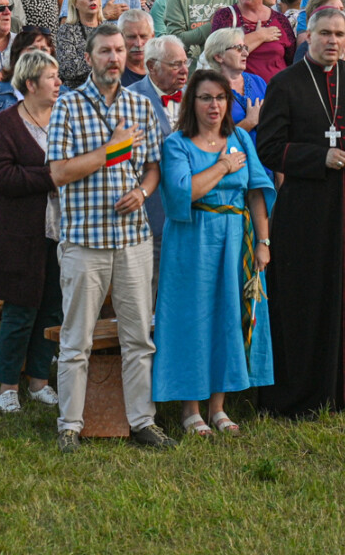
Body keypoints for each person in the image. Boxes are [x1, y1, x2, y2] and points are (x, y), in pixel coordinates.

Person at [255, 6, 345, 417]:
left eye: (339, 34)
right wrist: (319, 157)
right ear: (308, 37)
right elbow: (269, 147)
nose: (333, 41)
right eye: (325, 33)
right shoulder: (283, 83)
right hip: (305, 214)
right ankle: (307, 394)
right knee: (307, 299)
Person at [47, 23, 170, 453]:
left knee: (138, 338)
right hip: (85, 241)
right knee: (76, 339)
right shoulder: (67, 105)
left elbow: (153, 167)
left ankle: (143, 421)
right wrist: (111, 150)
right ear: (88, 58)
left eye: (119, 50)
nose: (115, 57)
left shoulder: (140, 105)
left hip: (133, 239)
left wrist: (143, 193)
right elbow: (59, 172)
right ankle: (69, 425)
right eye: (105, 51)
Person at [152, 68, 274, 436]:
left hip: (236, 238)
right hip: (192, 241)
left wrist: (263, 242)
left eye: (221, 98)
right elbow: (183, 192)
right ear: (192, 102)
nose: (214, 105)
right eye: (206, 98)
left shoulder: (240, 137)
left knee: (228, 315)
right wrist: (222, 166)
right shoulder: (177, 144)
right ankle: (190, 409)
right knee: (193, 318)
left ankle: (218, 406)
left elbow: (256, 190)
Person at [0, 49, 64, 414]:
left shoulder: (64, 119)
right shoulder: (6, 124)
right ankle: (8, 385)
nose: (58, 83)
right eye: (51, 77)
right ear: (30, 84)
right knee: (20, 310)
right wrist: (51, 177)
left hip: (58, 230)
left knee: (51, 309)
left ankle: (39, 381)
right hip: (18, 232)